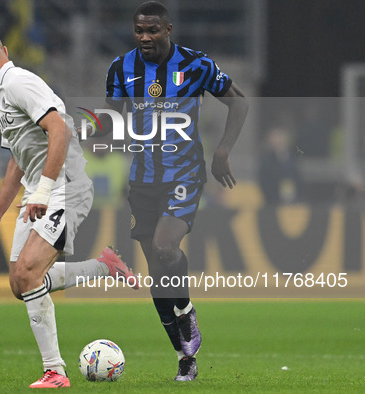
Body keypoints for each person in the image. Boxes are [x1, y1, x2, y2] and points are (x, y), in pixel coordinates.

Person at [0, 27, 138, 389]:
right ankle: (104, 266)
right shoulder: (2, 96)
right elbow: (19, 157)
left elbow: (60, 130)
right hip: (40, 190)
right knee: (19, 283)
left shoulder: (18, 82)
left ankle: (55, 370)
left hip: (64, 188)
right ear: (4, 49)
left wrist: (43, 191)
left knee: (29, 274)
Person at [99, 2, 248, 382]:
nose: (145, 37)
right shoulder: (121, 68)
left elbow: (238, 101)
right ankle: (185, 356)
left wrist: (223, 150)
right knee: (159, 276)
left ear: (168, 29)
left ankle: (186, 311)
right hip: (142, 180)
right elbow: (111, 120)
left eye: (152, 30)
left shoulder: (196, 65)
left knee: (166, 250)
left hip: (184, 173)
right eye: (139, 31)